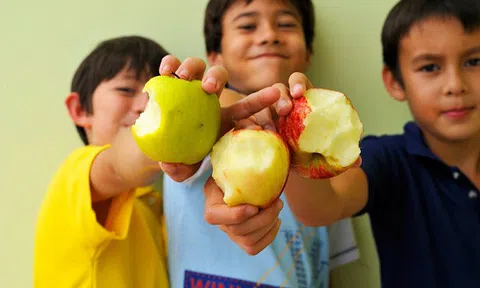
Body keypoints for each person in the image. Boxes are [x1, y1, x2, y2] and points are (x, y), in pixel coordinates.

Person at [213, 0, 480, 287]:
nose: (455, 85)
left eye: (474, 62)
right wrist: (292, 140)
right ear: (394, 82)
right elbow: (321, 208)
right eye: (430, 67)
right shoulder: (390, 160)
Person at [33, 35, 280, 288]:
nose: (145, 104)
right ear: (80, 110)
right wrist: (185, 130)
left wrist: (203, 127)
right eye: (126, 90)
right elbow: (120, 163)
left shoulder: (157, 205)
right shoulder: (78, 175)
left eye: (155, 93)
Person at [162, 1, 357, 287]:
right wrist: (218, 107)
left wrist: (289, 133)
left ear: (309, 53)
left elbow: (323, 216)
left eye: (287, 24)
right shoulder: (204, 124)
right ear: (216, 55)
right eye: (247, 26)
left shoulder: (332, 152)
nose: (269, 35)